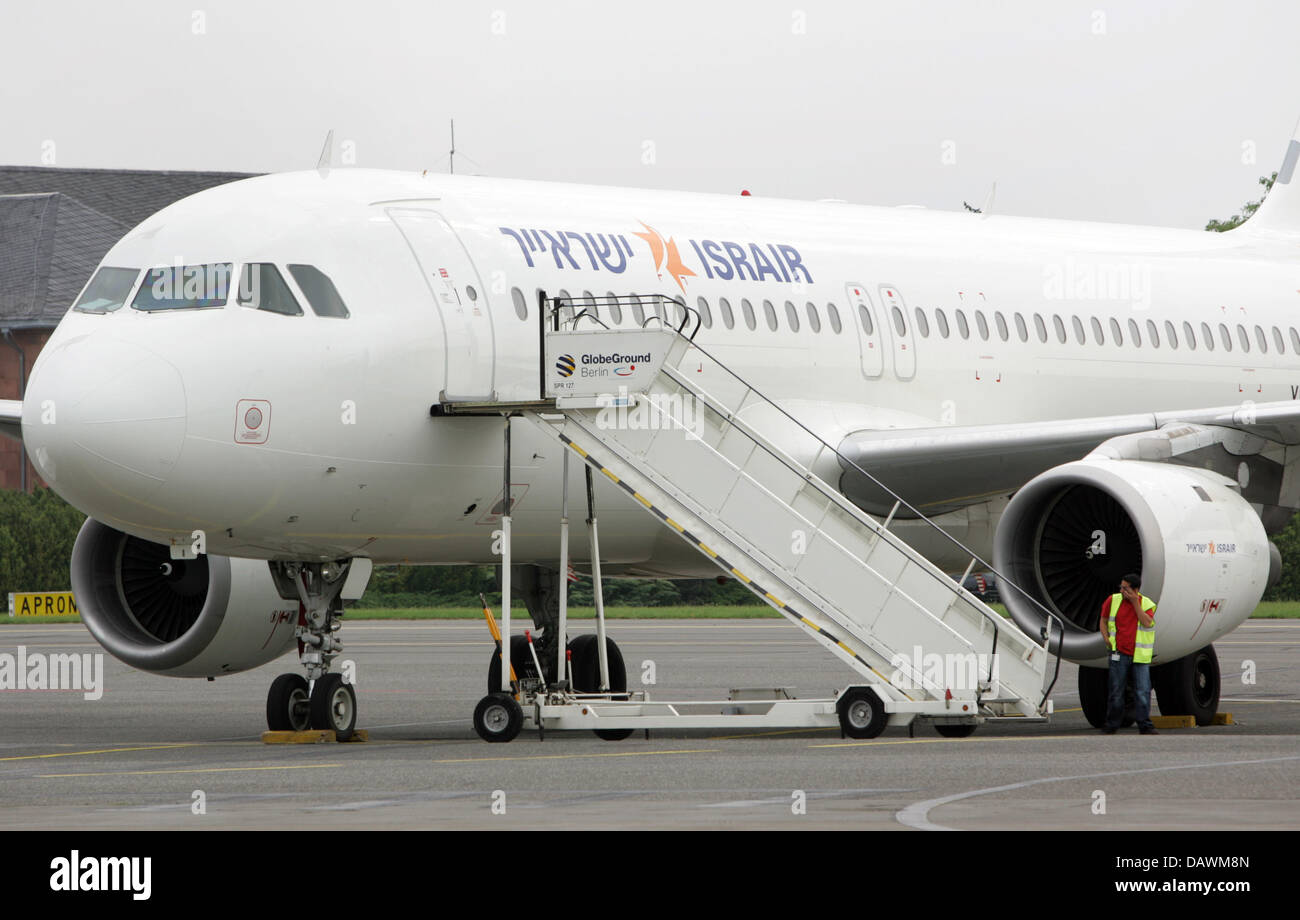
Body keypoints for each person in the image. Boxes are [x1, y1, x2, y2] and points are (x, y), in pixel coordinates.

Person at [1099, 573, 1158, 734]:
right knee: (1116, 691)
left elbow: (1147, 622)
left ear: (1136, 590)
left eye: (1126, 588)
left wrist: (1135, 603)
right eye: (1121, 587)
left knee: (1143, 691)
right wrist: (1106, 637)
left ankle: (1144, 725)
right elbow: (1103, 620)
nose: (1122, 591)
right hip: (1119, 653)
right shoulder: (1113, 600)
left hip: (1140, 655)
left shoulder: (1146, 603)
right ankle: (1112, 724)